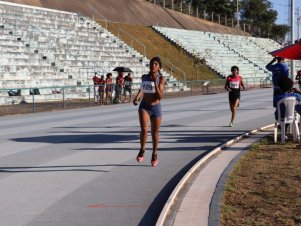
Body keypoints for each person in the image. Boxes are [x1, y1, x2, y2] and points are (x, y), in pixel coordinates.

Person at [133, 56, 166, 167]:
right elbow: (142, 89)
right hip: (144, 106)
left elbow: (160, 96)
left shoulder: (161, 78)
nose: (153, 65)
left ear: (159, 68)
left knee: (154, 133)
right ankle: (142, 149)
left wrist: (155, 83)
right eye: (152, 63)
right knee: (144, 129)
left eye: (156, 64)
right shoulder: (144, 77)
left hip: (156, 107)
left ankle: (154, 153)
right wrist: (137, 96)